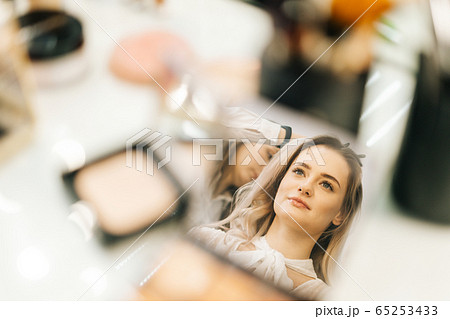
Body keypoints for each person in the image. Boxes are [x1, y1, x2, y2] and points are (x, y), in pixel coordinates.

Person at [190, 135, 363, 300]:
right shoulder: (207, 241)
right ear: (280, 181)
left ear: (341, 214)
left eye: (326, 185)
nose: (305, 187)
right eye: (299, 171)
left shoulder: (326, 300)